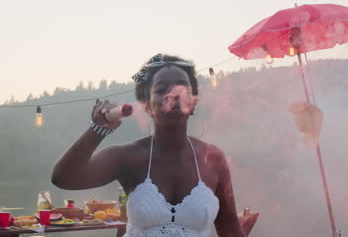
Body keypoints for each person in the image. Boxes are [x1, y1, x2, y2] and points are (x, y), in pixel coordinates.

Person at [52, 54, 247, 236]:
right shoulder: (128, 157)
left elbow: (230, 231)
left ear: (193, 101)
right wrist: (97, 130)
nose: (173, 95)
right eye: (161, 90)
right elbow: (64, 179)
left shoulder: (213, 158)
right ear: (147, 104)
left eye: (182, 88)